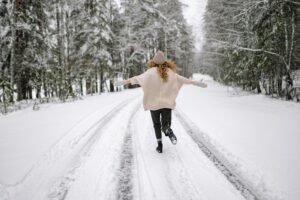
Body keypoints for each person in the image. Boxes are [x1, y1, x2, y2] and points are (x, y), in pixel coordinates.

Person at [116, 51, 207, 153]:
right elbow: (184, 80)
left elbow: (137, 79)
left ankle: (160, 145)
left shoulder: (149, 72)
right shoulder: (171, 73)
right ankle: (168, 130)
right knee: (165, 124)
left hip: (153, 104)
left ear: (153, 62)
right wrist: (196, 83)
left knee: (156, 124)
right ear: (165, 62)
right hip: (166, 104)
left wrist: (124, 82)